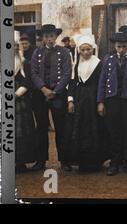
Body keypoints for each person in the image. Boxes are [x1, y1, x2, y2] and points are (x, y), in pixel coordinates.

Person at [97, 32, 127, 176]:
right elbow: (102, 82)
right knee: (114, 132)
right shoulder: (108, 61)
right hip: (112, 100)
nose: (121, 50)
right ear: (114, 46)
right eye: (118, 47)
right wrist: (100, 102)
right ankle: (115, 163)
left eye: (124, 47)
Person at [30, 24, 72, 171]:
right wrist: (43, 89)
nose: (49, 39)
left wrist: (56, 91)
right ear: (42, 38)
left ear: (56, 37)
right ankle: (41, 161)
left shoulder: (65, 52)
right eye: (46, 36)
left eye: (52, 36)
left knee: (61, 128)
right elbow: (33, 73)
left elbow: (67, 73)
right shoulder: (37, 52)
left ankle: (64, 160)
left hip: (58, 95)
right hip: (40, 95)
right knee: (41, 128)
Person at [66, 35, 106, 172]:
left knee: (94, 128)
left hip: (93, 98)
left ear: (92, 49)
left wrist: (100, 101)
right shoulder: (76, 64)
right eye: (83, 50)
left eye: (88, 49)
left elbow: (102, 83)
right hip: (80, 99)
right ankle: (82, 161)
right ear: (79, 50)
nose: (86, 52)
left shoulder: (99, 63)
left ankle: (95, 162)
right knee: (80, 128)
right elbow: (72, 82)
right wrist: (70, 100)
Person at [14, 31, 37, 173]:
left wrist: (17, 93)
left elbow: (28, 80)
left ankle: (20, 161)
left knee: (22, 130)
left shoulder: (24, 63)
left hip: (20, 100)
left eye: (16, 47)